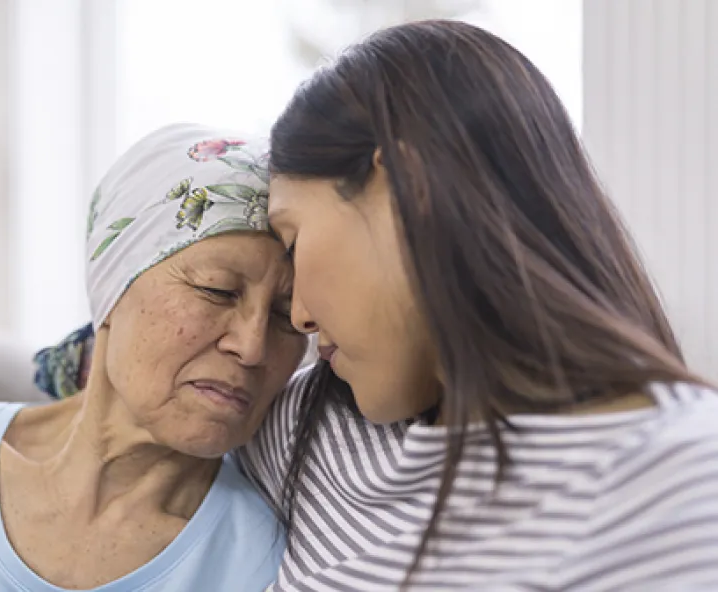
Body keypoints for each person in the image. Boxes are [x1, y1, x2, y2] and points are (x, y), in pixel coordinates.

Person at [39, 21, 718, 592]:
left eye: (295, 241)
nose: (298, 318)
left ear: (406, 190)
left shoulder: (681, 483)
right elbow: (138, 374)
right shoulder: (310, 426)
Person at [0, 123, 306, 592]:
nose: (253, 346)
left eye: (288, 317)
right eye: (217, 290)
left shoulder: (266, 563)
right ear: (113, 289)